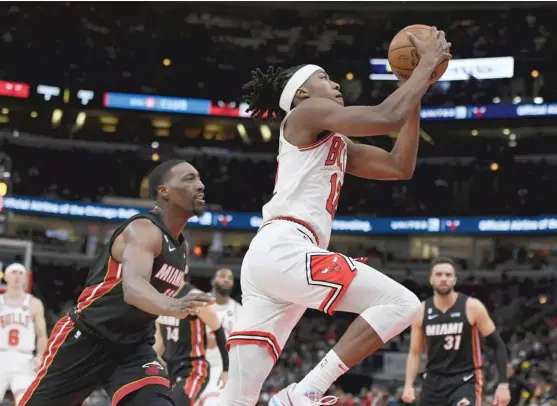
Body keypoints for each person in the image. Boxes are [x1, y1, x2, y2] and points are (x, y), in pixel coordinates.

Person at [219, 26, 452, 406]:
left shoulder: (335, 142)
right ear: (301, 93)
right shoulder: (305, 113)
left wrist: (416, 89)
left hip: (273, 260)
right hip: (286, 248)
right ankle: (305, 391)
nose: (336, 84)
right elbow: (386, 116)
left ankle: (293, 396)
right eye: (324, 78)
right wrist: (424, 65)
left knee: (237, 399)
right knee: (403, 305)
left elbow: (399, 166)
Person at [19, 160, 215, 406]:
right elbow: (133, 289)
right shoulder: (143, 230)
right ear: (164, 191)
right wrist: (172, 305)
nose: (200, 185)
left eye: (199, 179)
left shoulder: (181, 246)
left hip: (133, 348)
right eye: (189, 179)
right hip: (87, 337)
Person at [402, 257, 511, 406]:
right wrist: (408, 385)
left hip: (465, 380)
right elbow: (414, 353)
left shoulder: (472, 307)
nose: (443, 278)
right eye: (439, 274)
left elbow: (498, 344)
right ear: (431, 279)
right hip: (433, 383)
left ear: (454, 280)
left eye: (448, 275)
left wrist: (503, 384)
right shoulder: (421, 311)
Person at [154, 277, 229, 406]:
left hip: (194, 369)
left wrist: (227, 369)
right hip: (171, 370)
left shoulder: (193, 296)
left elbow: (218, 329)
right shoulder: (161, 298)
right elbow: (160, 342)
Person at [0, 263, 47, 405]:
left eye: (21, 273)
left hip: (24, 358)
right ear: (5, 276)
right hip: (1, 356)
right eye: (14, 272)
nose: (17, 276)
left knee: (25, 400)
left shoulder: (34, 303)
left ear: (26, 278)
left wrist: (40, 356)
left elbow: (42, 335)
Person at [198, 268, 242, 406]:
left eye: (230, 277)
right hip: (196, 365)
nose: (226, 279)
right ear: (212, 281)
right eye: (222, 276)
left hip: (221, 369)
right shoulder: (199, 303)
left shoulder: (239, 311)